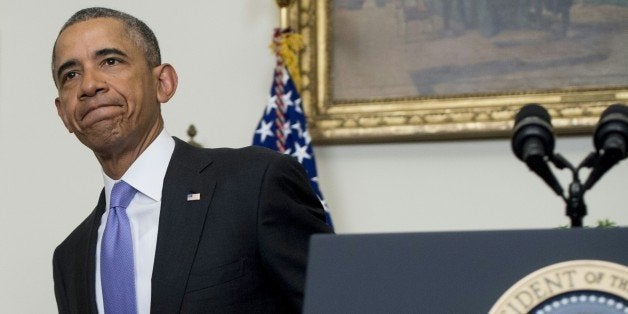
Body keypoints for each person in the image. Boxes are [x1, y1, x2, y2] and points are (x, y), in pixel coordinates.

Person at [51, 7, 333, 313]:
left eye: (111, 61)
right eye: (71, 74)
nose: (89, 85)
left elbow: (340, 305)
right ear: (64, 113)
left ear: (163, 83)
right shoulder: (70, 258)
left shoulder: (255, 185)